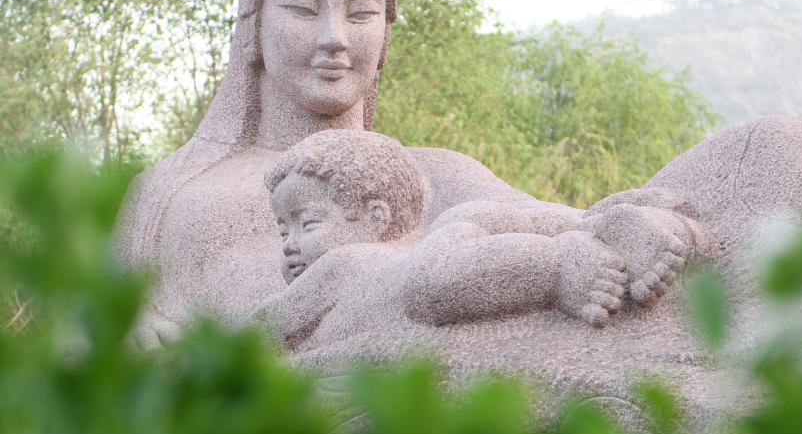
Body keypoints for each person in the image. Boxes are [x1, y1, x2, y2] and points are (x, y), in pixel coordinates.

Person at [116, 0, 686, 350]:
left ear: (386, 33)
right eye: (303, 8)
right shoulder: (172, 194)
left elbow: (538, 217)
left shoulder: (430, 172)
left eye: (362, 12)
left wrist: (647, 222)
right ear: (253, 23)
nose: (335, 36)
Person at [253, 129, 708, 353]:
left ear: (374, 219)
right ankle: (623, 221)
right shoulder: (420, 239)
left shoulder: (344, 266)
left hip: (443, 256)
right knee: (512, 221)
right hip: (468, 233)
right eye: (282, 230)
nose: (289, 244)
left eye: (307, 224)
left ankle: (562, 263)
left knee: (428, 285)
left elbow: (253, 336)